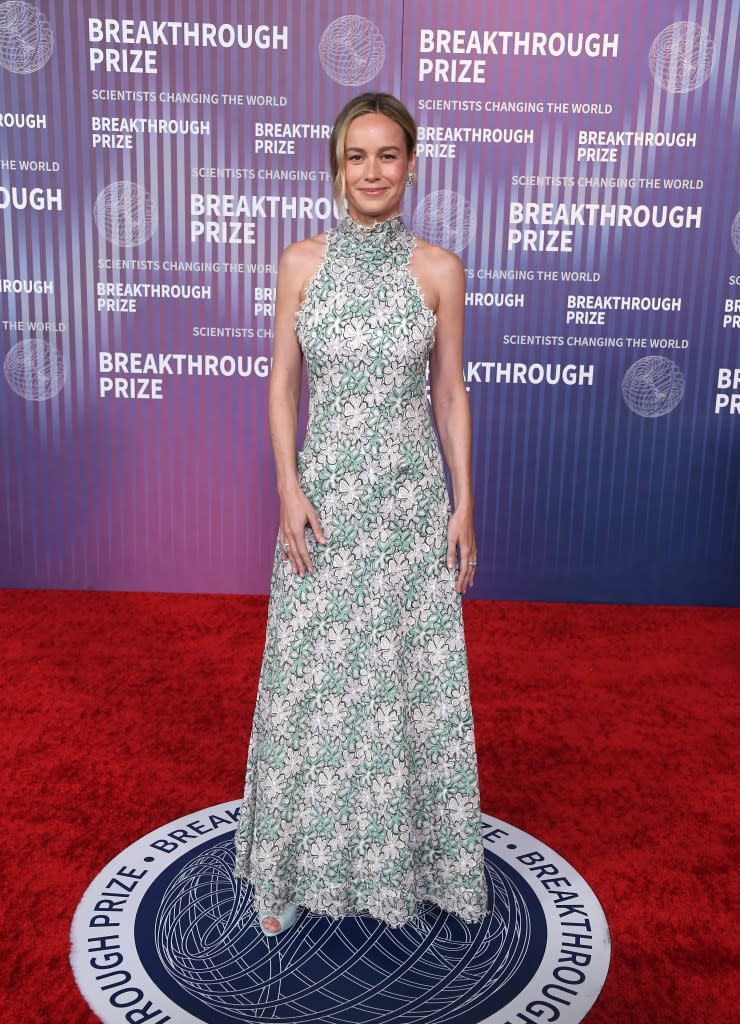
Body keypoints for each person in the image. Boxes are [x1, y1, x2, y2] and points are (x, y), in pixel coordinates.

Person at [234, 92, 488, 935]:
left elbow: (450, 392)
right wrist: (287, 487)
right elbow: (281, 386)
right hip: (326, 503)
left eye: (387, 155)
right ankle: (292, 867)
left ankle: (401, 870)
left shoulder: (440, 269)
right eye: (356, 156)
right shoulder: (302, 262)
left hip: (411, 506)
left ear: (412, 164)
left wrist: (464, 505)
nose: (371, 171)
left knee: (400, 687)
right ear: (336, 167)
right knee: (315, 686)